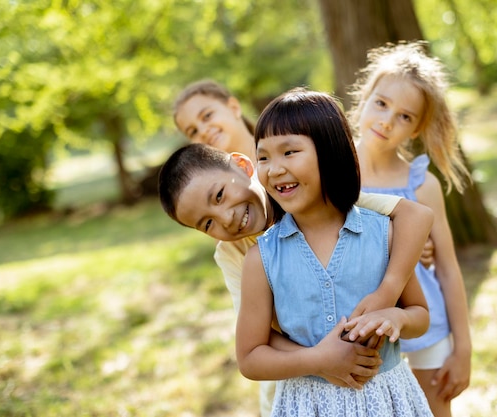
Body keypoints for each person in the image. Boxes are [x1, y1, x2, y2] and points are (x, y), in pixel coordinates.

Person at [167, 79, 435, 415]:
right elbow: (255, 343)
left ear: (243, 167)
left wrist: (389, 293)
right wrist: (321, 360)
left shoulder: (364, 221)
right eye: (206, 223)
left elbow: (414, 218)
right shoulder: (248, 257)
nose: (226, 219)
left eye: (219, 196)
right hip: (299, 387)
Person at [347, 41, 472, 417]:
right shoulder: (335, 169)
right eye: (382, 104)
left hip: (425, 323)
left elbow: (447, 268)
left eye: (404, 116)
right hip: (357, 324)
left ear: (417, 126)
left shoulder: (422, 185)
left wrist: (463, 348)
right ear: (365, 97)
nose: (386, 121)